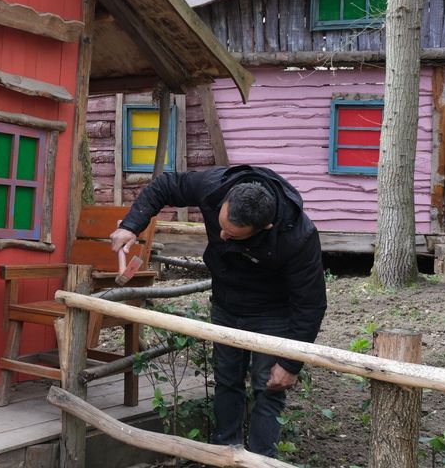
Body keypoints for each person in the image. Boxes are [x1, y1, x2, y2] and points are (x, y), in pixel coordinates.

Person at [110, 165, 326, 457]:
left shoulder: (298, 236)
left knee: (270, 387)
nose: (221, 235)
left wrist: (290, 364)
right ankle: (226, 453)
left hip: (272, 310)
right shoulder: (214, 186)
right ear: (225, 201)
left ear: (266, 227)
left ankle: (262, 462)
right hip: (226, 302)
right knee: (227, 380)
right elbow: (166, 185)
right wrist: (131, 225)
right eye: (220, 225)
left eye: (233, 235)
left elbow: (310, 304)